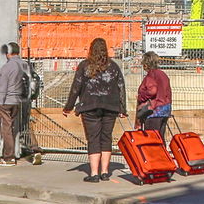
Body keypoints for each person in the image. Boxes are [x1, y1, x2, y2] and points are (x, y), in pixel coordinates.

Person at [63, 37, 126, 182]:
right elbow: (121, 87)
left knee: (93, 139)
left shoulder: (84, 66)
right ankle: (105, 172)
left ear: (91, 50)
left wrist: (68, 107)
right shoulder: (114, 66)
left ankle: (94, 174)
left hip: (89, 106)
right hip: (110, 106)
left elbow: (76, 88)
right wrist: (122, 109)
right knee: (106, 138)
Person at [0, 41, 43, 166]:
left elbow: (2, 88)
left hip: (8, 100)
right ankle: (34, 149)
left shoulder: (7, 67)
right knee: (24, 125)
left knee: (7, 128)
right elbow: (35, 80)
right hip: (23, 100)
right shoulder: (25, 65)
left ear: (8, 53)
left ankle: (9, 157)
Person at [135, 51, 172, 139]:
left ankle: (153, 153)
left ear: (146, 64)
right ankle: (162, 152)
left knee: (152, 138)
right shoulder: (163, 74)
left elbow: (152, 91)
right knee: (160, 137)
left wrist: (141, 97)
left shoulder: (151, 75)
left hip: (154, 111)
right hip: (165, 109)